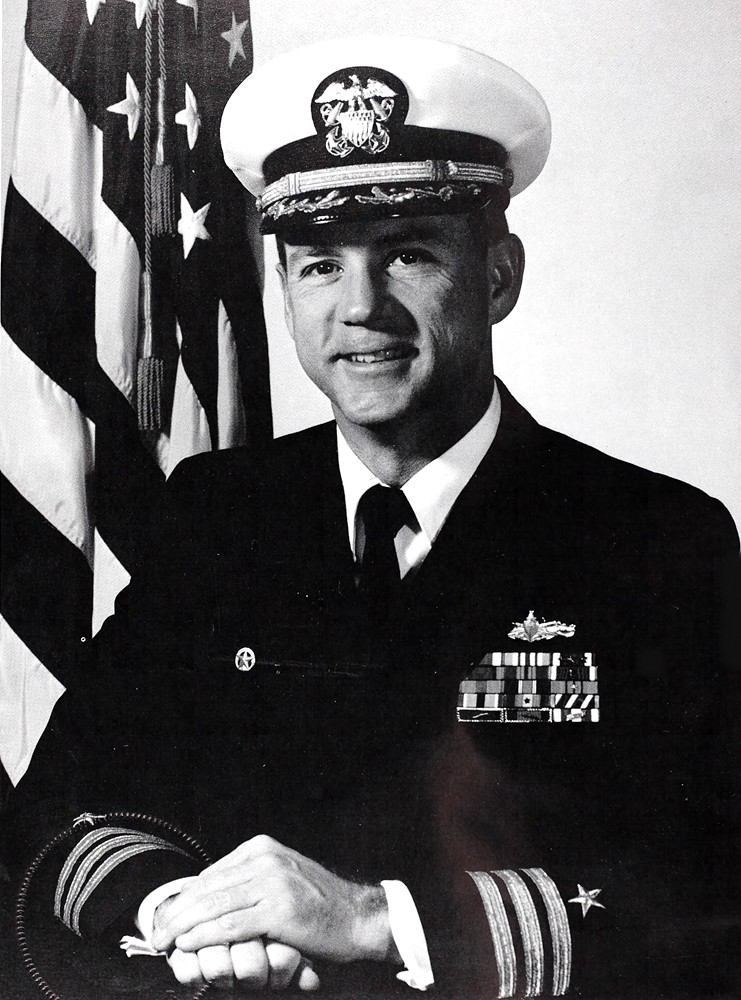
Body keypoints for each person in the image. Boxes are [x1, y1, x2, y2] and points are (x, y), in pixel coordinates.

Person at [4, 35, 739, 1000]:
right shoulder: (220, 516)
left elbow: (706, 880)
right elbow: (62, 802)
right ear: (281, 289)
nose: (360, 308)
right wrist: (180, 908)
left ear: (497, 277)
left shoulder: (654, 538)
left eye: (409, 255)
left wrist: (375, 920)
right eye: (319, 266)